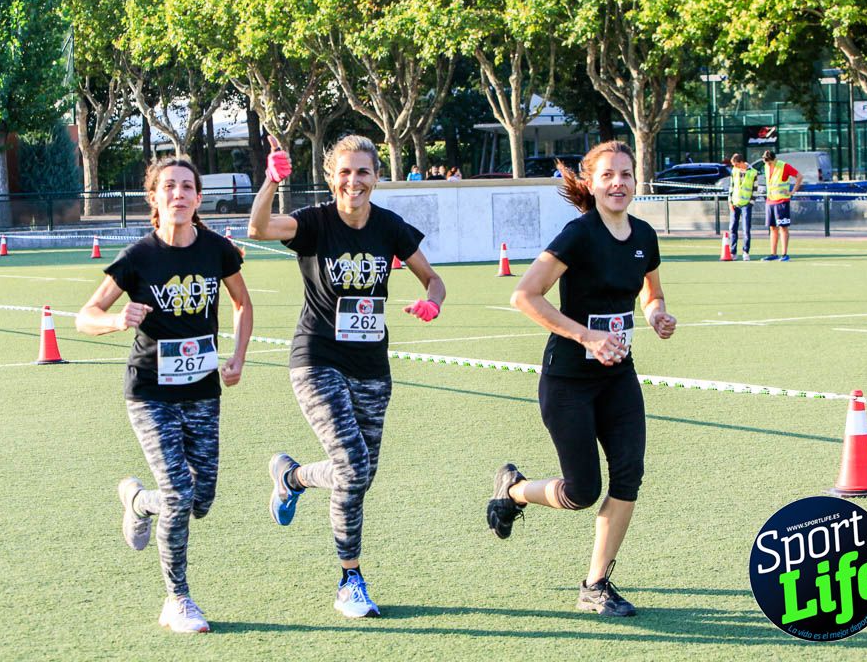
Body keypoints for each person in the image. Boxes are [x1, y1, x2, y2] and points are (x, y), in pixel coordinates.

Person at [249, 133, 446, 618]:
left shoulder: (390, 227)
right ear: (331, 176)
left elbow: (433, 278)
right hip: (316, 359)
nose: (353, 181)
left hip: (371, 368)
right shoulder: (314, 223)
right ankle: (349, 580)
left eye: (362, 172)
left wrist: (432, 302)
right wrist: (272, 180)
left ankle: (292, 478)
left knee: (359, 476)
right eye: (344, 172)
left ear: (376, 177)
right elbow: (257, 228)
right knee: (353, 468)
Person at [485, 140, 677, 618]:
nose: (619, 183)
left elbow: (651, 294)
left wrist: (657, 316)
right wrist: (587, 337)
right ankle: (511, 489)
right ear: (591, 184)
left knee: (629, 474)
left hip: (619, 378)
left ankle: (596, 584)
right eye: (608, 175)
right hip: (568, 380)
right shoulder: (578, 235)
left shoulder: (644, 237)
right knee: (581, 490)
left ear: (636, 182)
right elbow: (525, 296)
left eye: (627, 174)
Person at [76, 158, 253, 634]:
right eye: (168, 187)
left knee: (201, 499)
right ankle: (178, 599)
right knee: (178, 491)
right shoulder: (138, 257)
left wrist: (237, 356)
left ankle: (138, 502)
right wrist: (115, 320)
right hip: (150, 390)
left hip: (202, 390)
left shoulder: (218, 250)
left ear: (198, 199)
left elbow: (242, 303)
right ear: (154, 197)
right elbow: (85, 314)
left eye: (187, 187)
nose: (178, 194)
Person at [760, 149, 803, 261]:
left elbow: (799, 176)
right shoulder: (766, 166)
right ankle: (773, 254)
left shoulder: (784, 166)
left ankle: (785, 254)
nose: (768, 164)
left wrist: (792, 192)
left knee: (783, 228)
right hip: (770, 201)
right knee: (772, 227)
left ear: (774, 159)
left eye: (769, 162)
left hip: (781, 201)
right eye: (766, 162)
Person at [727, 153, 758, 261]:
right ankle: (733, 252)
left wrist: (751, 203)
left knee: (746, 229)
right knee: (733, 228)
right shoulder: (734, 171)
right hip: (735, 204)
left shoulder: (753, 172)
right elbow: (731, 186)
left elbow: (755, 189)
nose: (734, 167)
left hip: (746, 205)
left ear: (741, 163)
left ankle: (745, 252)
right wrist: (730, 201)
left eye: (735, 164)